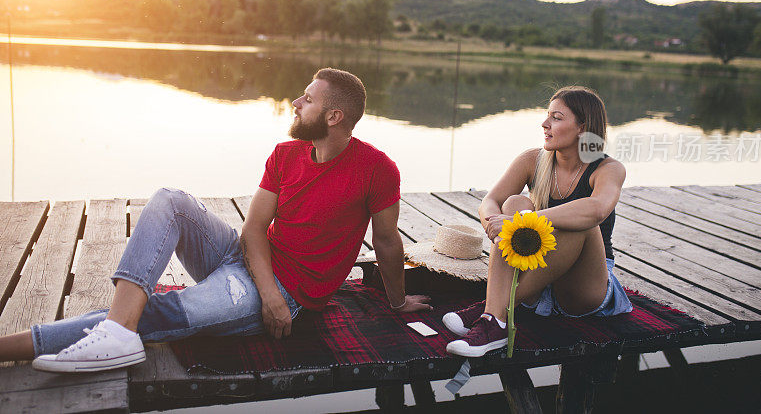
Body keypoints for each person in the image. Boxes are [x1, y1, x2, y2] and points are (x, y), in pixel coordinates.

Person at [0, 67, 431, 372]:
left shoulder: (376, 169)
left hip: (286, 290)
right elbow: (253, 230)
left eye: (308, 98)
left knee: (155, 312)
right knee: (171, 200)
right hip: (251, 267)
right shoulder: (285, 155)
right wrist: (266, 287)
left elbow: (388, 242)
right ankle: (117, 330)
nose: (297, 103)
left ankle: (13, 347)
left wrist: (397, 302)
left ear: (334, 116)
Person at [443, 86, 632, 357]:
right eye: (547, 116)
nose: (545, 124)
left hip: (583, 285)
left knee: (578, 222)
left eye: (556, 117)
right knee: (513, 203)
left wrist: (523, 221)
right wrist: (494, 225)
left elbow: (597, 209)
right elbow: (490, 201)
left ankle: (494, 311)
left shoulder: (607, 168)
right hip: (539, 276)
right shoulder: (533, 159)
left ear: (582, 127)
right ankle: (495, 321)